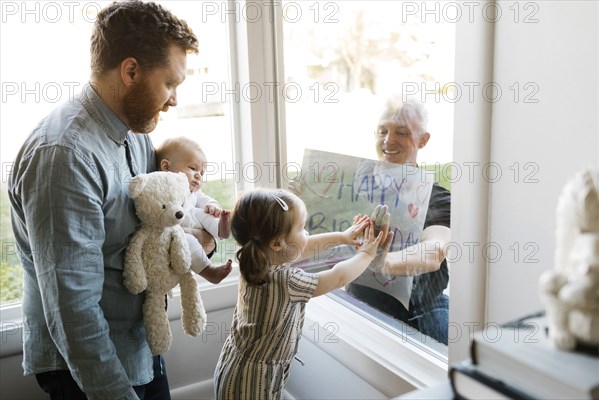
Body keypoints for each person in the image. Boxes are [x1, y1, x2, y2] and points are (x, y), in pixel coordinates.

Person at [8, 1, 199, 399]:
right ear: (130, 71)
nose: (174, 100)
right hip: (90, 370)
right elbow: (73, 311)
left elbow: (150, 221)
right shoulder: (64, 155)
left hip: (139, 345)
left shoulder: (136, 130)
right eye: (170, 83)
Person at [213, 189, 393, 400]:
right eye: (302, 228)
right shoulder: (286, 281)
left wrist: (342, 237)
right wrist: (367, 254)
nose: (306, 233)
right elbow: (338, 277)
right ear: (277, 243)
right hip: (253, 381)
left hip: (234, 364)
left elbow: (301, 248)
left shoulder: (253, 260)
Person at [347, 96, 452, 345]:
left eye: (402, 132)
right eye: (383, 130)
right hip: (362, 301)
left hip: (423, 306)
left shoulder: (436, 196)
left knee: (447, 366)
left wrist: (383, 261)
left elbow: (434, 252)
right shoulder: (354, 183)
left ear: (423, 140)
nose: (389, 140)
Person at [156, 136, 233, 284]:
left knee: (203, 212)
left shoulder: (194, 193)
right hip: (176, 231)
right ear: (166, 167)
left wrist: (213, 207)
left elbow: (205, 199)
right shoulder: (162, 187)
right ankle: (210, 271)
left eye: (202, 173)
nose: (198, 175)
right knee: (188, 240)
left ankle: (222, 229)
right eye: (193, 168)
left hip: (192, 221)